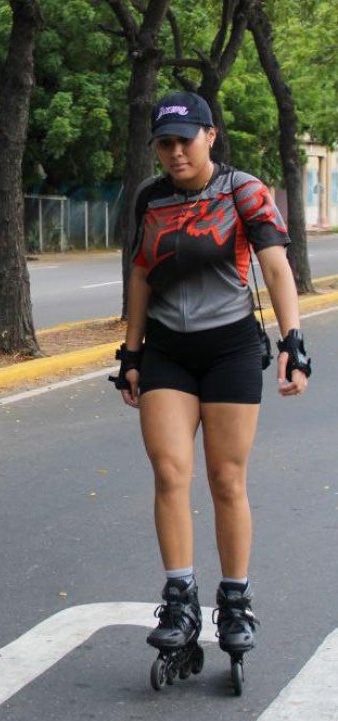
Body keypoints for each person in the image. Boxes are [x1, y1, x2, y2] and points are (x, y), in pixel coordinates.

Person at [110, 91, 311, 690]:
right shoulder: (150, 198)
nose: (175, 153)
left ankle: (236, 599)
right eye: (164, 143)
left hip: (230, 348)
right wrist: (131, 352)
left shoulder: (243, 190)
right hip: (169, 349)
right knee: (170, 472)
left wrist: (291, 340)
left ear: (210, 137)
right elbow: (142, 272)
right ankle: (179, 598)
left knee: (226, 478)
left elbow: (276, 266)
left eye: (185, 141)